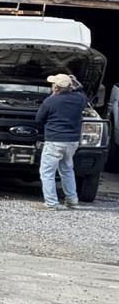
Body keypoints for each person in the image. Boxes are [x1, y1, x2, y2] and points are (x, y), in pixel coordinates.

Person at [34, 71, 88, 209]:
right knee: (67, 169)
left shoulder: (50, 101)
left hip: (55, 141)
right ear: (71, 86)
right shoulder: (80, 99)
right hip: (72, 141)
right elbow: (82, 93)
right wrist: (76, 84)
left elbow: (38, 120)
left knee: (47, 172)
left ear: (56, 87)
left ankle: (51, 203)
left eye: (53, 84)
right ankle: (72, 201)